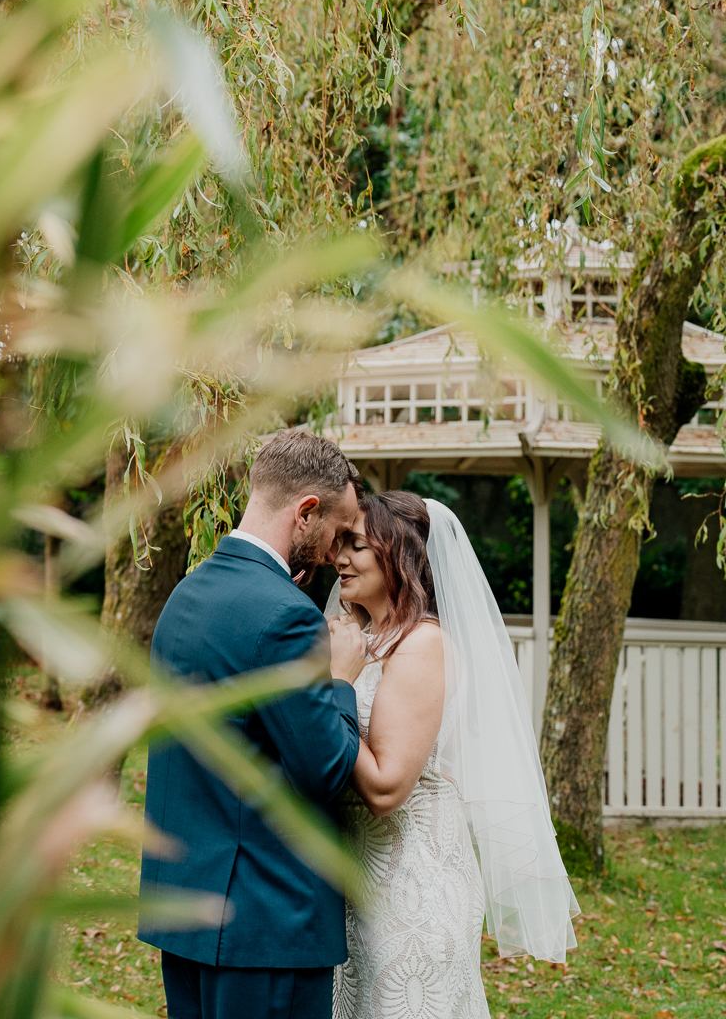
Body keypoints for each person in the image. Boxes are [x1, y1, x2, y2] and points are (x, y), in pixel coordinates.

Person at [139, 428, 371, 1019]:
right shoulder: (286, 617)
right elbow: (325, 770)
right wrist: (342, 680)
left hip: (186, 911)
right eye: (338, 533)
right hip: (265, 929)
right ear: (306, 513)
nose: (335, 553)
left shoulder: (187, 595)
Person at [326, 491, 579, 1019]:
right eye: (339, 544)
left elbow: (387, 787)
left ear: (400, 554)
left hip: (409, 886)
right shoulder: (368, 640)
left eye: (356, 545)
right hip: (357, 879)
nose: (339, 558)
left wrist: (337, 688)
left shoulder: (421, 644)